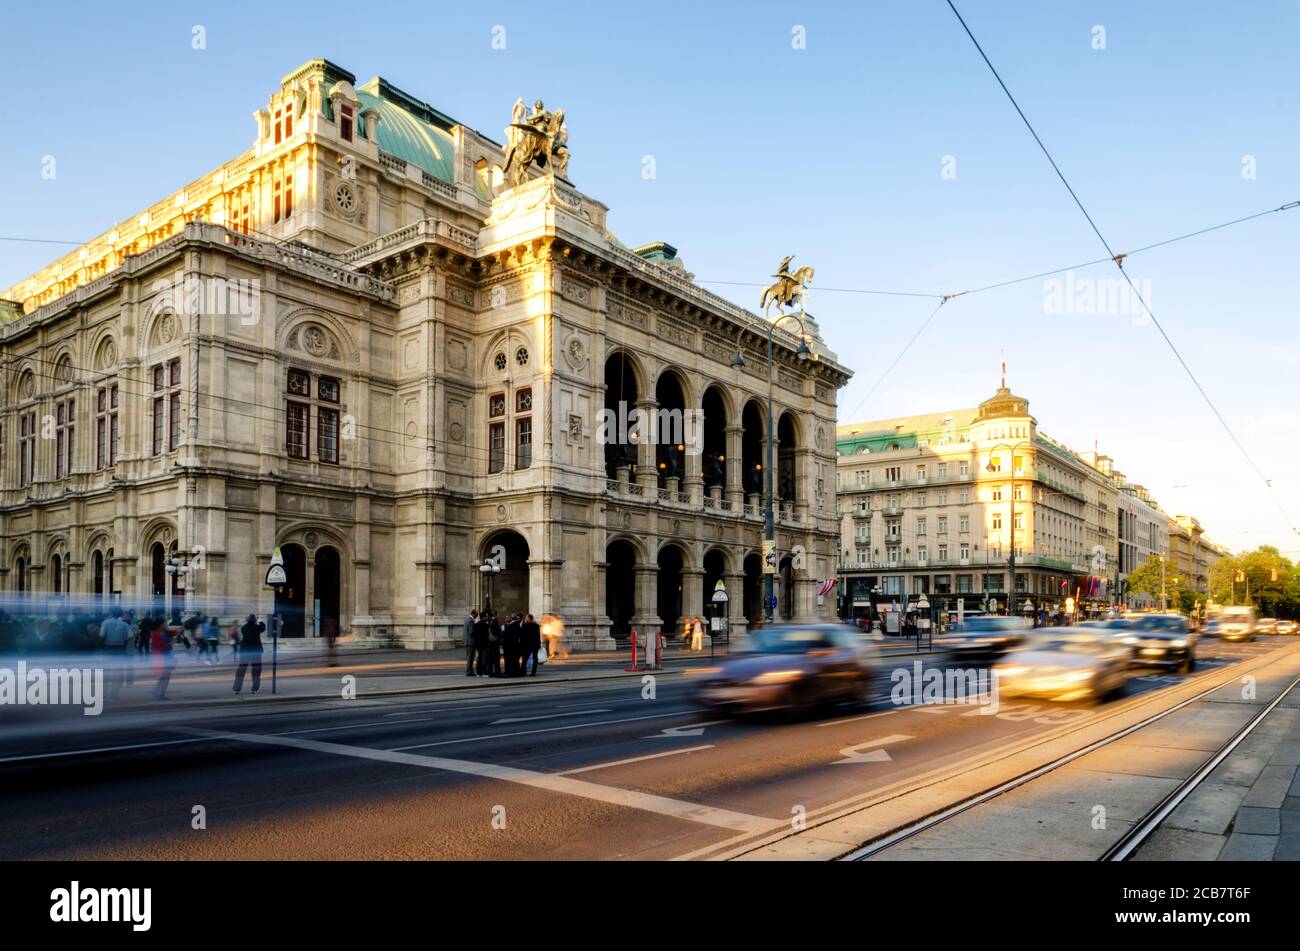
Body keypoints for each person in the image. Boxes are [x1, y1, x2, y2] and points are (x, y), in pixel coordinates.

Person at [99, 607, 133, 700]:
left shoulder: (105, 623)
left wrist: (103, 643)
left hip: (107, 648)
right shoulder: (124, 625)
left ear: (111, 613)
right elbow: (130, 636)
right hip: (120, 649)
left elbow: (101, 635)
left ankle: (104, 694)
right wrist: (123, 641)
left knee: (105, 673)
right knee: (117, 674)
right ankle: (114, 695)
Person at [233, 613, 265, 696]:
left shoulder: (244, 628)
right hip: (256, 652)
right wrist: (260, 621)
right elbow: (263, 627)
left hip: (245, 652)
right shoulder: (257, 628)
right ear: (254, 620)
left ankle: (236, 689)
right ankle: (255, 688)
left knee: (241, 670)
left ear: (248, 620)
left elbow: (248, 625)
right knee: (256, 671)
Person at [149, 616, 175, 700]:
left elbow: (173, 632)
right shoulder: (155, 634)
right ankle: (161, 694)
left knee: (165, 676)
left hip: (167, 657)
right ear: (160, 625)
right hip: (161, 658)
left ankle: (157, 692)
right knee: (165, 676)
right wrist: (171, 643)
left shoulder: (165, 632)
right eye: (165, 623)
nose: (167, 624)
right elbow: (160, 646)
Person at [471, 611, 491, 677]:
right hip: (484, 644)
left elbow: (474, 634)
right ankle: (484, 672)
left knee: (479, 658)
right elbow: (486, 635)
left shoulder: (476, 624)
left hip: (478, 644)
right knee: (484, 659)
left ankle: (478, 672)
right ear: (484, 617)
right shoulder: (485, 624)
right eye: (486, 616)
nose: (487, 617)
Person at [464, 609, 479, 677]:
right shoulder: (471, 621)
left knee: (469, 657)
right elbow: (471, 632)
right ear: (473, 614)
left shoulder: (467, 619)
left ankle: (470, 670)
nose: (476, 616)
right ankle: (469, 671)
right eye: (476, 615)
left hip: (467, 642)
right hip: (471, 642)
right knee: (470, 658)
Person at [486, 613, 503, 677]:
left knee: (490, 659)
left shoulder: (488, 622)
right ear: (495, 616)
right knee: (496, 659)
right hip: (494, 643)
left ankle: (490, 672)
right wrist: (500, 632)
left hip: (489, 643)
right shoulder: (495, 622)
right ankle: (497, 672)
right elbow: (497, 632)